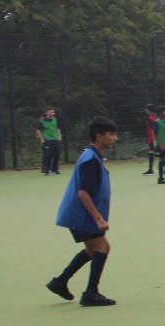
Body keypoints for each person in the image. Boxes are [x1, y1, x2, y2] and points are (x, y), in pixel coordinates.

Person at [47, 116, 119, 307]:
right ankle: (90, 293)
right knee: (102, 247)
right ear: (99, 136)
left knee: (91, 250)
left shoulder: (93, 156)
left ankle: (60, 282)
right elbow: (83, 193)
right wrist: (98, 218)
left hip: (80, 215)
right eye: (111, 134)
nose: (115, 138)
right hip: (82, 216)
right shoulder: (90, 160)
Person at [36, 107, 62, 175]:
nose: (52, 113)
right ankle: (46, 170)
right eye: (51, 112)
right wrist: (41, 138)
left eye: (53, 112)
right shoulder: (43, 120)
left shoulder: (55, 120)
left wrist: (59, 136)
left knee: (57, 154)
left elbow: (58, 128)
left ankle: (54, 169)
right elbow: (38, 130)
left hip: (55, 139)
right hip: (47, 140)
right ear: (47, 112)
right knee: (48, 155)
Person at [141, 104, 157, 175]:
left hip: (152, 138)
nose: (145, 111)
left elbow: (152, 130)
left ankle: (150, 170)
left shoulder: (151, 118)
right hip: (156, 138)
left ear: (149, 110)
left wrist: (154, 140)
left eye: (146, 109)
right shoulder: (156, 117)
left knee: (152, 152)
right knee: (157, 153)